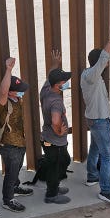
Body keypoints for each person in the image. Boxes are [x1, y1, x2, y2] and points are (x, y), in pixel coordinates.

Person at [81, 22, 110, 205]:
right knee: (107, 156)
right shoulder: (92, 75)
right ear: (99, 63)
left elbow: (103, 58)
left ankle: (92, 176)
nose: (108, 62)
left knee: (95, 148)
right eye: (105, 61)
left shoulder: (89, 75)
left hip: (95, 119)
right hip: (99, 121)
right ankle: (105, 191)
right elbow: (105, 56)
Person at [0, 57, 33, 212]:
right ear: (10, 92)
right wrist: (8, 70)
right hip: (10, 144)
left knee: (16, 170)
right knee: (11, 173)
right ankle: (7, 199)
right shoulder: (4, 103)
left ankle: (15, 188)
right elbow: (3, 91)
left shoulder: (18, 99)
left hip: (20, 142)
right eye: (18, 90)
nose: (21, 92)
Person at [40, 51, 72, 204]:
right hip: (55, 141)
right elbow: (55, 120)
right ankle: (51, 195)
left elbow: (49, 77)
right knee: (55, 166)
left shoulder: (46, 89)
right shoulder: (56, 101)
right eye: (65, 81)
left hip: (47, 138)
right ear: (58, 85)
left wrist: (55, 64)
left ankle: (54, 186)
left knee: (63, 161)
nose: (67, 82)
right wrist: (59, 131)